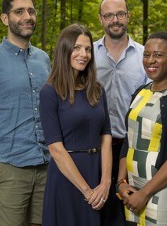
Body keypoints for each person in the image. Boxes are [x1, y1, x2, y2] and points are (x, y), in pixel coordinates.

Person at [117, 31, 167, 226]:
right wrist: (121, 183)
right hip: (133, 192)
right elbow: (129, 139)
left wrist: (145, 193)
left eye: (159, 55)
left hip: (165, 195)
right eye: (147, 54)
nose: (151, 60)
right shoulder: (140, 92)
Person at [39, 23, 116, 226]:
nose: (84, 54)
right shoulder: (50, 92)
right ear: (65, 49)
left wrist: (106, 183)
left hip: (99, 173)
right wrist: (87, 192)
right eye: (77, 48)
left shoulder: (97, 90)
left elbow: (106, 137)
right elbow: (55, 149)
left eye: (88, 49)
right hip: (68, 179)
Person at [0, 0, 51, 226]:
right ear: (5, 19)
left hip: (45, 165)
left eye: (31, 11)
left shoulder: (43, 59)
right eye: (19, 12)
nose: (27, 16)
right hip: (9, 166)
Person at [93, 0, 148, 223]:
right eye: (109, 15)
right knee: (98, 208)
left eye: (120, 14)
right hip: (95, 147)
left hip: (134, 147)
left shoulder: (145, 56)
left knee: (130, 213)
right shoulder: (87, 54)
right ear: (100, 19)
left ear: (128, 16)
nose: (115, 19)